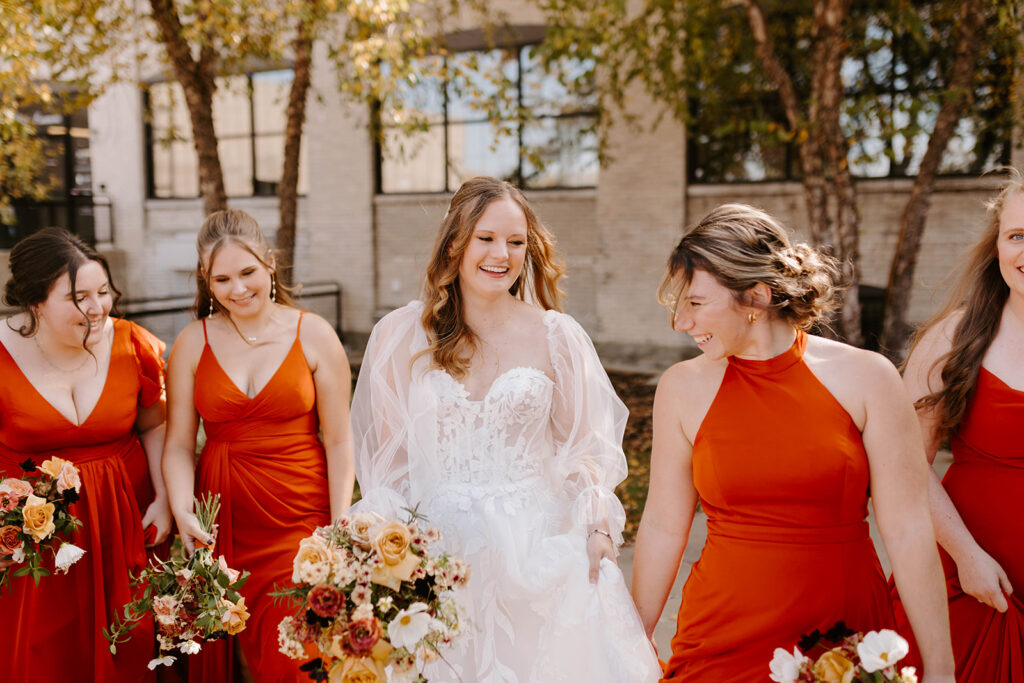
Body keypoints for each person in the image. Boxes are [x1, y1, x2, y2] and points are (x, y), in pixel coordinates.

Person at [350, 176, 661, 682]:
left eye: (516, 242)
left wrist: (597, 526)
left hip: (533, 549)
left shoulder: (557, 336)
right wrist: (378, 546)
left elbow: (583, 451)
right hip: (437, 552)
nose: (502, 255)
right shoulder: (400, 334)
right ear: (455, 243)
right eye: (487, 238)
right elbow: (393, 464)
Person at [630, 204, 955, 682]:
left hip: (840, 639)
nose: (681, 321)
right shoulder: (681, 387)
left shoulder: (869, 377)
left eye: (696, 303)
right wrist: (634, 634)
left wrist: (942, 668)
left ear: (756, 297)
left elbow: (908, 529)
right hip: (719, 638)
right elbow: (662, 524)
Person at [162, 209, 355, 682]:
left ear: (270, 262)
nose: (238, 289)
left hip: (300, 518)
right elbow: (179, 445)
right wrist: (183, 509)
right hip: (224, 522)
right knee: (241, 660)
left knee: (299, 654)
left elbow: (338, 439)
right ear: (206, 279)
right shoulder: (191, 343)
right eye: (222, 279)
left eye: (247, 272)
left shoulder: (314, 334)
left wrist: (339, 527)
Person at [0, 227, 171, 682]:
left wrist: (164, 499)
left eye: (103, 291)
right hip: (37, 542)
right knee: (47, 656)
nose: (97, 307)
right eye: (79, 297)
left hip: (127, 523)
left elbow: (155, 425)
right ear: (35, 302)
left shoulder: (132, 344)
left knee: (130, 645)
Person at [892, 170, 1023, 681]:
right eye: (1017, 235)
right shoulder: (953, 337)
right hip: (973, 579)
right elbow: (905, 463)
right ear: (997, 246)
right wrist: (967, 556)